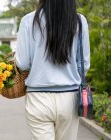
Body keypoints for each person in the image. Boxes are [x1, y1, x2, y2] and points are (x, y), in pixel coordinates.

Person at [14, 0, 90, 140]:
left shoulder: (28, 20)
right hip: (70, 98)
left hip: (38, 98)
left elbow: (23, 64)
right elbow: (84, 65)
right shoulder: (79, 21)